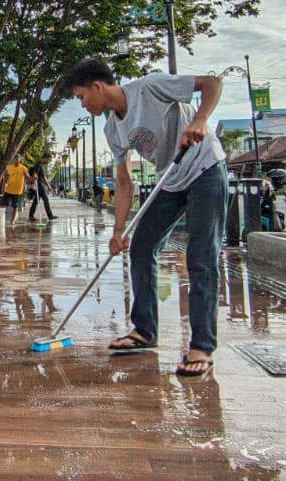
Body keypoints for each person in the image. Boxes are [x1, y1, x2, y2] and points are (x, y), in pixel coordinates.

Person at [65, 58, 226, 377]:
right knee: (140, 248)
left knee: (201, 256)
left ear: (98, 87)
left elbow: (212, 83)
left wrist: (200, 120)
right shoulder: (112, 128)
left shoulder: (149, 88)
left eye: (82, 97)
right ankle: (145, 330)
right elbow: (124, 181)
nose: (83, 105)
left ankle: (202, 346)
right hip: (172, 179)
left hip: (205, 168)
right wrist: (118, 230)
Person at [2, 153, 30, 224]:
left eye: (17, 159)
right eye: (15, 159)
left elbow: (29, 178)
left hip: (17, 191)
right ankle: (1, 218)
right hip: (8, 189)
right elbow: (5, 178)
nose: (16, 160)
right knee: (3, 204)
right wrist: (3, 186)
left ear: (20, 160)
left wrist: (34, 178)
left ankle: (12, 220)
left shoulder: (23, 168)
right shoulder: (9, 167)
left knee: (15, 206)